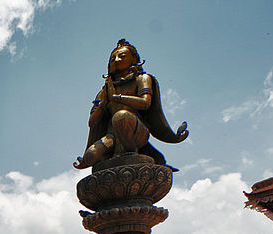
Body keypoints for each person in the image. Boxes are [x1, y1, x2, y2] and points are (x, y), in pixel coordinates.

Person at [73, 39, 188, 170]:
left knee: (121, 116)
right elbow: (92, 123)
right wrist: (104, 104)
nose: (116, 60)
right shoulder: (105, 90)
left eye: (122, 56)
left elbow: (145, 103)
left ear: (133, 60)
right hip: (112, 135)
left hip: (136, 129)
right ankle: (114, 156)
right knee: (91, 156)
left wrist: (117, 98)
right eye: (112, 59)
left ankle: (130, 152)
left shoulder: (142, 79)